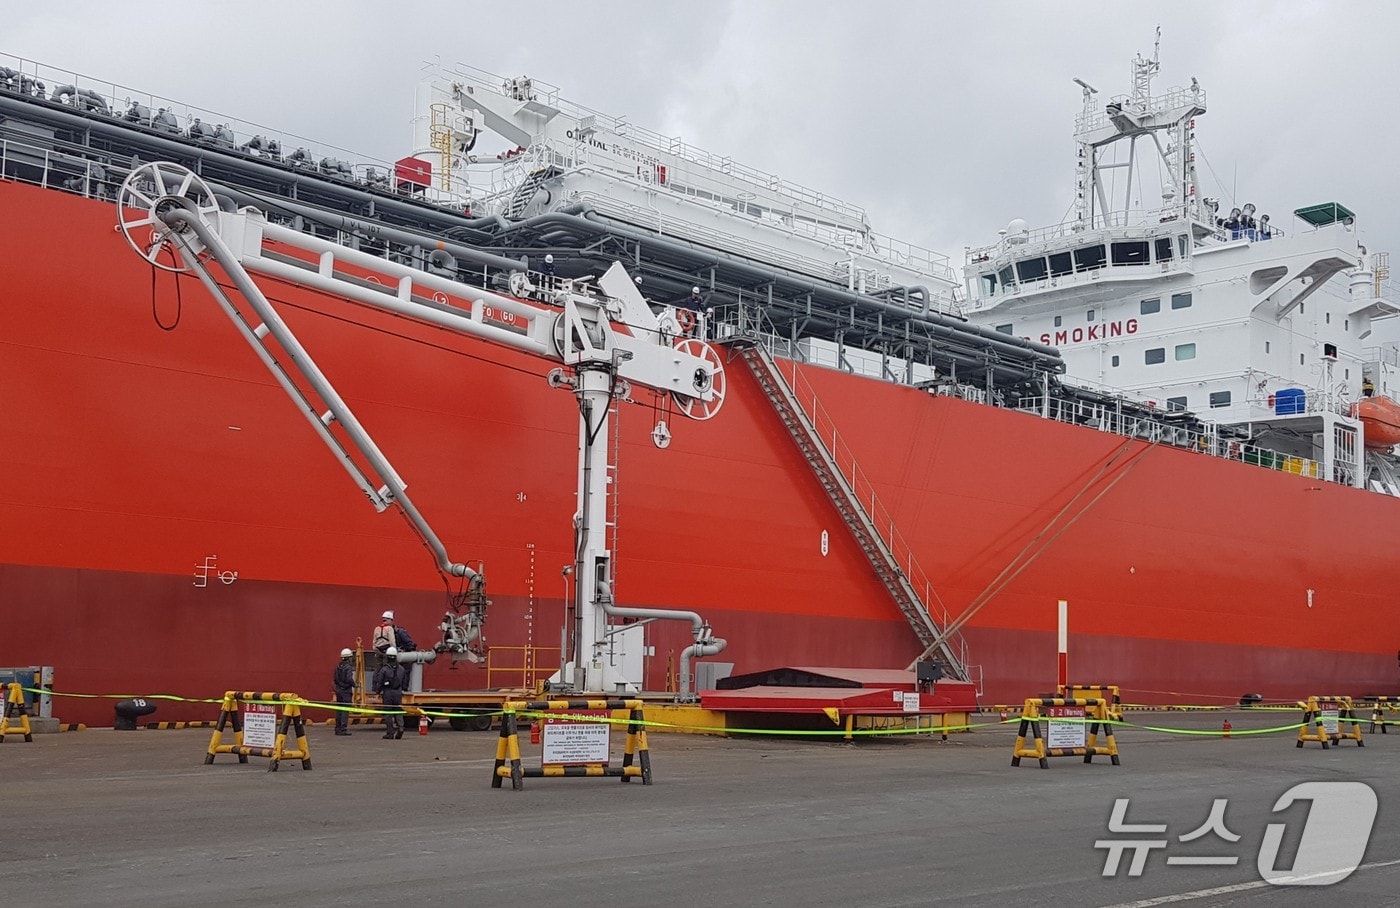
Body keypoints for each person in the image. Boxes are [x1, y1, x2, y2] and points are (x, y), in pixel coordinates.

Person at [374, 647, 409, 739]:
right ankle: (401, 727)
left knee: (388, 713)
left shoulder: (384, 669)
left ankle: (390, 732)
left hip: (388, 693)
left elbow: (379, 682)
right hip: (398, 692)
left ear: (387, 657)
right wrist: (403, 689)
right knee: (398, 711)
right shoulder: (401, 669)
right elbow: (405, 682)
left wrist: (377, 692)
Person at [332, 648, 356, 736]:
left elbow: (335, 679)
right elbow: (349, 679)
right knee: (345, 711)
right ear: (348, 658)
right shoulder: (348, 667)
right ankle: (343, 729)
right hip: (346, 692)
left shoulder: (338, 667)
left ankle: (337, 728)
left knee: (339, 710)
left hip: (339, 691)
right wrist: (354, 685)